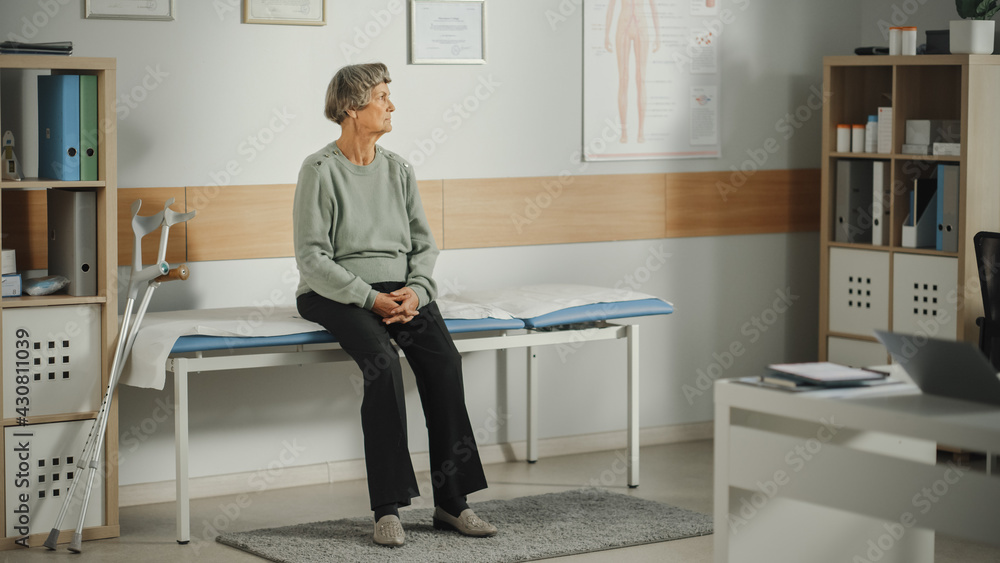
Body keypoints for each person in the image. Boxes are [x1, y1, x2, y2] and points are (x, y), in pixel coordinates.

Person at [293, 62, 497, 547]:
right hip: (336, 293)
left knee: (444, 362)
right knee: (381, 364)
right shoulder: (319, 170)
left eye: (389, 95)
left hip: (400, 289)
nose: (391, 104)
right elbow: (312, 259)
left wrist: (417, 292)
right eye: (382, 96)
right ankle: (388, 509)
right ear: (351, 107)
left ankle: (453, 503)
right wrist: (370, 298)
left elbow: (424, 245)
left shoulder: (399, 169)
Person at [605, 0, 660, 143]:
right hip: (623, 27)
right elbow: (611, 6)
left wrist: (658, 35)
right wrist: (606, 34)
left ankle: (641, 131)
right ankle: (624, 132)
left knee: (641, 79)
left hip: (641, 27)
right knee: (623, 79)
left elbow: (653, 7)